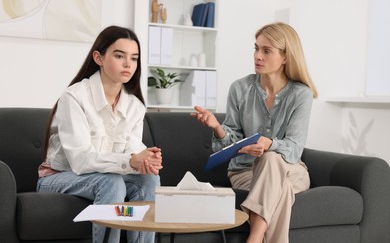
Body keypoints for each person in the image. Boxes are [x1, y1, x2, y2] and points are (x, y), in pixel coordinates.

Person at [192, 22, 318, 243]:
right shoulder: (239, 89)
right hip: (246, 173)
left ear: (286, 57)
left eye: (266, 50)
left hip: (292, 170)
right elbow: (227, 147)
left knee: (271, 159)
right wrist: (217, 127)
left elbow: (295, 149)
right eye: (256, 48)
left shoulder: (301, 94)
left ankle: (255, 236)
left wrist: (269, 144)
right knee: (282, 189)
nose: (257, 56)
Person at [37, 25, 163, 243]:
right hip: (59, 176)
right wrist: (130, 160)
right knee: (111, 183)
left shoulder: (135, 106)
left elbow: (131, 148)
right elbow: (80, 160)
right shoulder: (74, 97)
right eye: (119, 55)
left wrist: (146, 160)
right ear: (99, 57)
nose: (128, 64)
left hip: (105, 175)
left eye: (134, 58)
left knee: (150, 180)